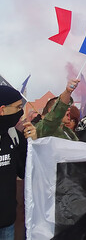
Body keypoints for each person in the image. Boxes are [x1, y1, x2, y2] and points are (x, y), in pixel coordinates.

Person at [0, 85, 36, 239]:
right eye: (17, 107)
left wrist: (33, 144)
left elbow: (26, 171)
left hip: (7, 221)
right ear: (2, 109)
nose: (21, 113)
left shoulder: (14, 136)